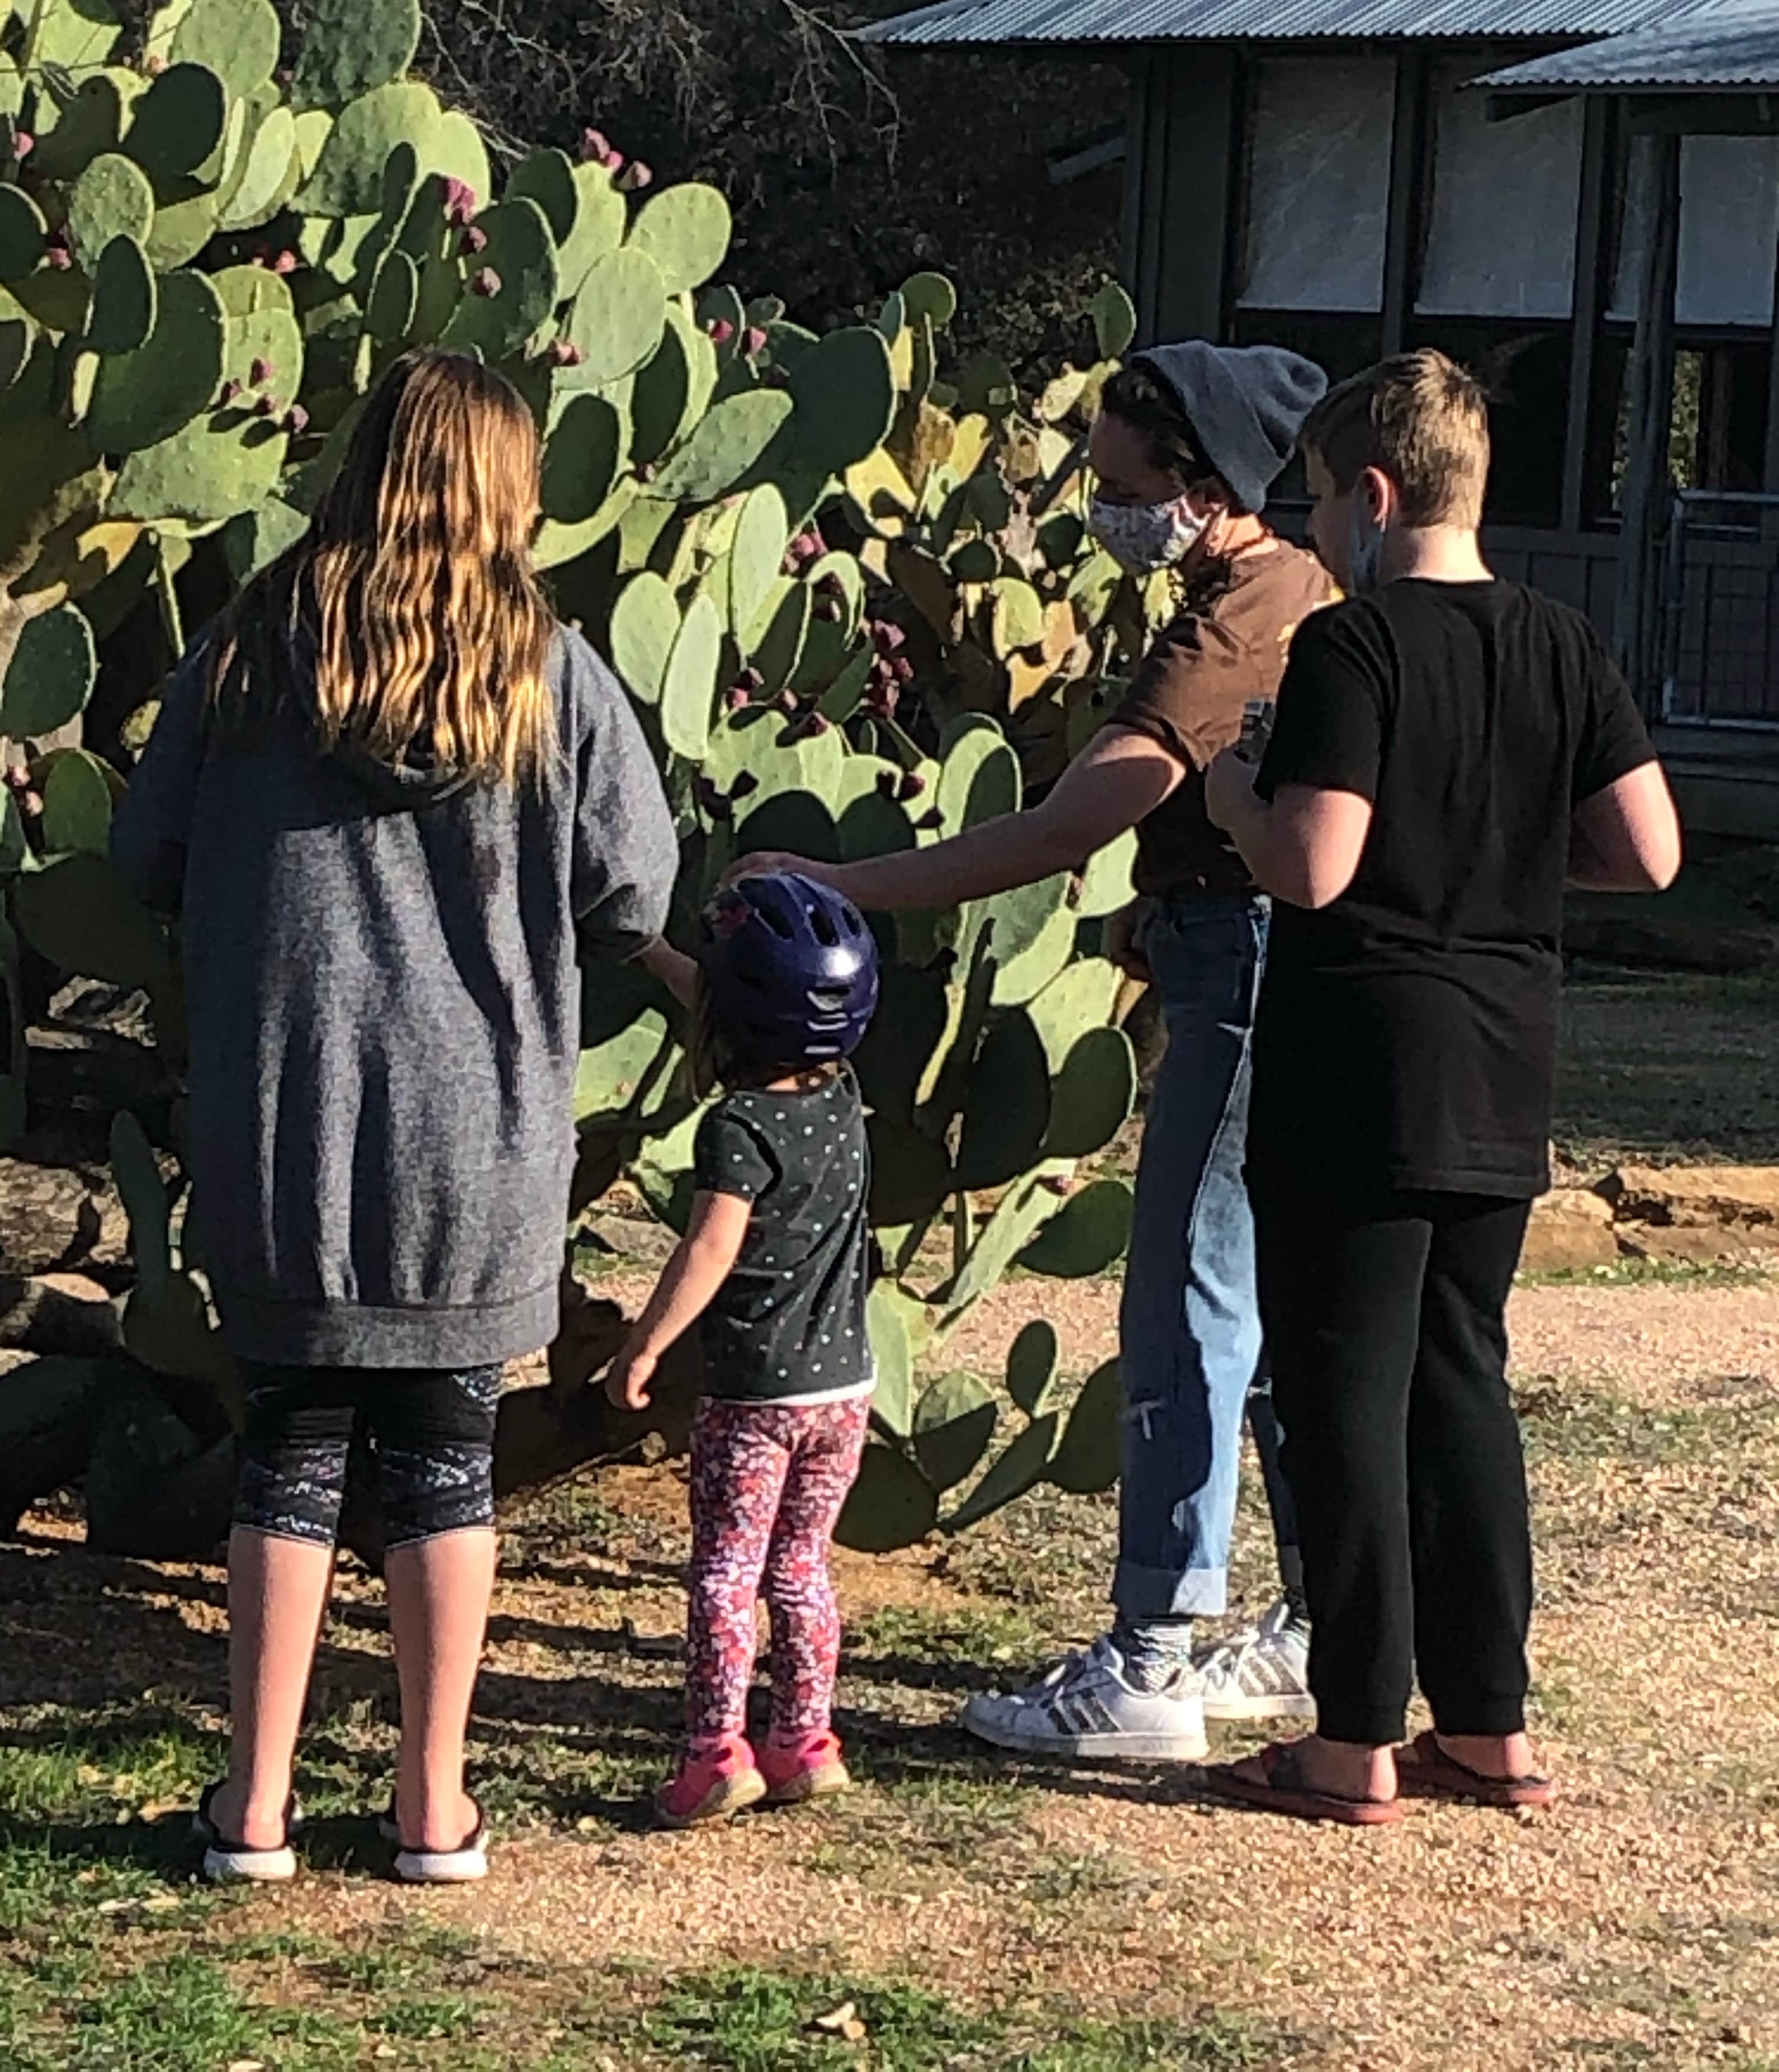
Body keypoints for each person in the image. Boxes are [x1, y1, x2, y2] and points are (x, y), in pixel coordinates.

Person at [112, 349, 677, 1884]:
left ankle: (256, 1807)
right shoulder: (551, 672)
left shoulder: (249, 652)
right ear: (510, 491)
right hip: (479, 1138)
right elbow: (635, 894)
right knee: (447, 1462)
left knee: (288, 1456)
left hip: (282, 1116)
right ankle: (434, 1808)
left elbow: (145, 855)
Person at [733, 341, 1336, 1762]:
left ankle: (1150, 1657)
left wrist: (845, 883)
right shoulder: (1290, 588)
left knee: (1189, 1297)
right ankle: (1319, 1626)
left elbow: (1070, 825)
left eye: (1125, 486)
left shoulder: (1230, 627)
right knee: (1267, 1308)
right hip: (1265, 961)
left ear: (1204, 486)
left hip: (1243, 976)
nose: (1104, 510)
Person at [1202, 349, 1681, 1827]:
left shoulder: (1353, 648)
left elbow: (1315, 863)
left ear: (1376, 494)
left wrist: (1233, 798)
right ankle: (1486, 1725)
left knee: (1345, 1391)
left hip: (1359, 1063)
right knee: (1464, 1378)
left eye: (1323, 501)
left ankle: (1350, 1736)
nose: (1320, 528)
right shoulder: (1562, 641)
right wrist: (1516, 853)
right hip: (1502, 1059)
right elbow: (1650, 851)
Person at [607, 875, 881, 1828]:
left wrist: (643, 1346)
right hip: (845, 1389)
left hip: (754, 1398)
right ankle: (804, 1740)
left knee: (726, 1573)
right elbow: (743, 1005)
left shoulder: (739, 1127)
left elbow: (709, 1249)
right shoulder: (845, 1095)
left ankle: (714, 1751)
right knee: (801, 1567)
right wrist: (654, 955)